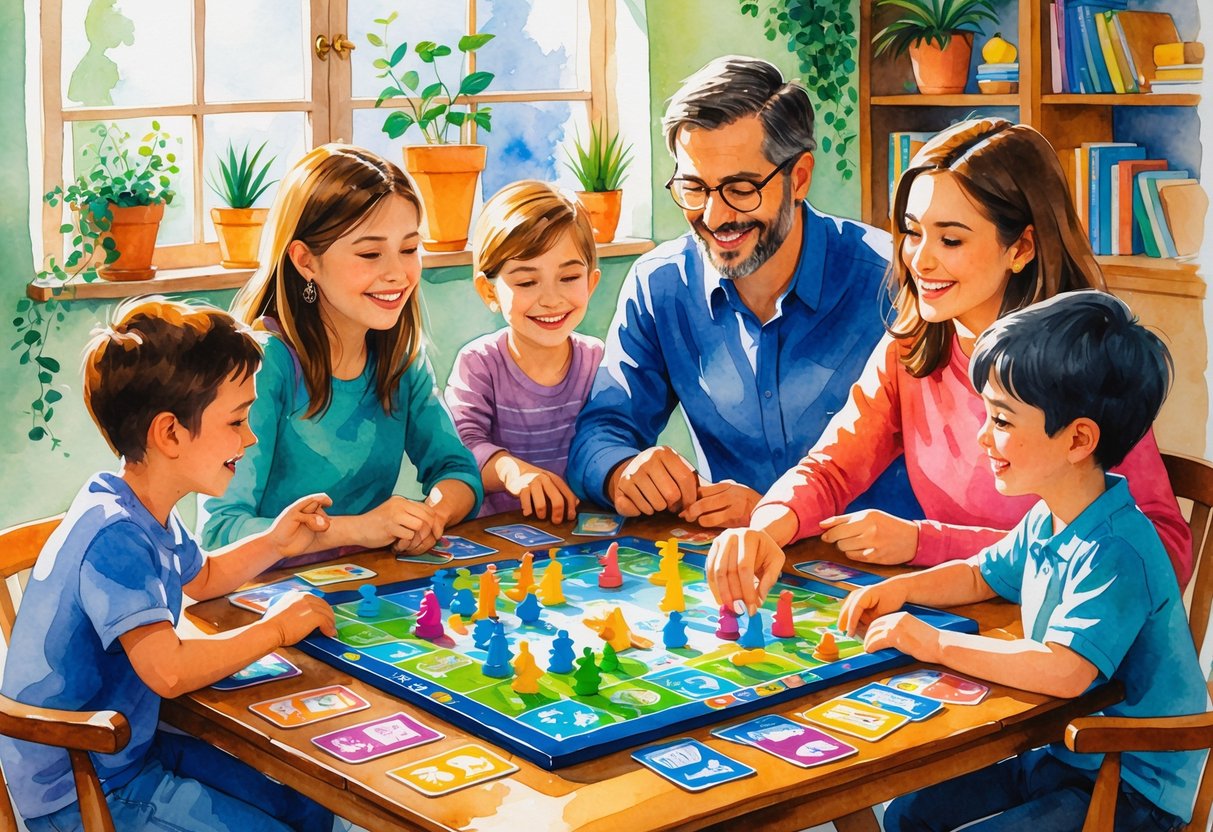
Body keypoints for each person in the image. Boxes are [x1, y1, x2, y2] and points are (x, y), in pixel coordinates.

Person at [706, 118, 1190, 613]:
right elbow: (830, 470)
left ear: (1021, 247)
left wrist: (929, 543)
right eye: (913, 233)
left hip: (1081, 641)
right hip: (965, 616)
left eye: (951, 240)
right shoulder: (910, 349)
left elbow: (1162, 550)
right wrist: (764, 530)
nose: (920, 260)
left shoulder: (1082, 361)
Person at [839, 291, 1207, 832]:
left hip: (1129, 780)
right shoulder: (1049, 516)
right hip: (1063, 753)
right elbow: (980, 574)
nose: (983, 437)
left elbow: (1063, 671)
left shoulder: (1119, 550)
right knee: (909, 816)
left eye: (1003, 421)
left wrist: (933, 641)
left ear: (1078, 439)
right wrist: (901, 592)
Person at [0, 298, 338, 832]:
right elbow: (170, 669)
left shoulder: (140, 507)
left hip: (128, 751)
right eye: (237, 420)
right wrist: (277, 630)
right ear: (171, 434)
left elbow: (201, 578)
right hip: (84, 784)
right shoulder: (114, 536)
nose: (249, 438)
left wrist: (276, 542)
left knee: (309, 807)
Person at [567, 55, 919, 529]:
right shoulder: (661, 286)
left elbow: (969, 475)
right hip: (734, 578)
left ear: (799, 178)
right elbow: (603, 430)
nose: (714, 217)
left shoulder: (896, 283)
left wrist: (777, 516)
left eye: (740, 188)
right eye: (694, 188)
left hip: (881, 578)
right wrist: (620, 471)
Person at [200, 144, 482, 562]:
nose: (397, 273)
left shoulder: (401, 358)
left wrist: (431, 515)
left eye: (408, 249)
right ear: (305, 261)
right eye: (370, 254)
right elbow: (221, 531)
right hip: (263, 598)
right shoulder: (262, 367)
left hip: (364, 590)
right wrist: (359, 530)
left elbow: (458, 472)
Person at [444, 180, 604, 521]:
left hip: (584, 535)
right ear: (489, 292)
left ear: (591, 283)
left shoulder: (598, 360)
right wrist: (511, 472)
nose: (550, 298)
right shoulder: (479, 364)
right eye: (527, 282)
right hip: (498, 540)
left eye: (569, 277)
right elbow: (461, 450)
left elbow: (616, 438)